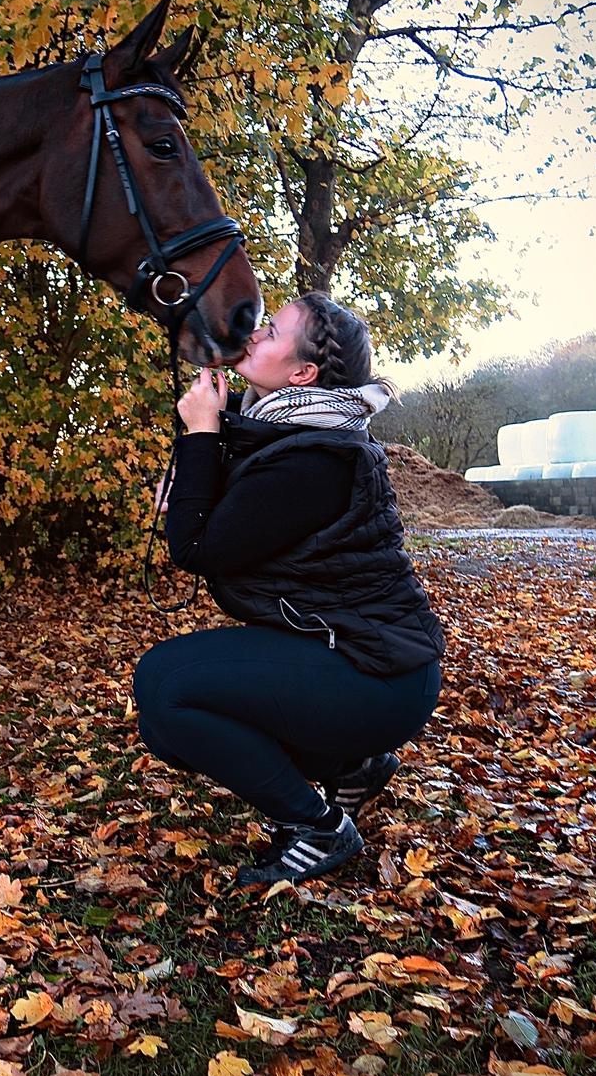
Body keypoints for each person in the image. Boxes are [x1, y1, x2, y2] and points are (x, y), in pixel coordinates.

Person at [133, 292, 443, 887]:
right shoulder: (288, 434)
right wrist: (204, 449)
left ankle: (317, 827)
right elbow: (204, 519)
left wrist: (201, 434)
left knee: (165, 687)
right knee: (162, 718)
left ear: (302, 374)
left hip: (376, 675)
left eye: (271, 329)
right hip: (358, 658)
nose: (252, 332)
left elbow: (196, 548)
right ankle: (351, 763)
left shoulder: (317, 456)